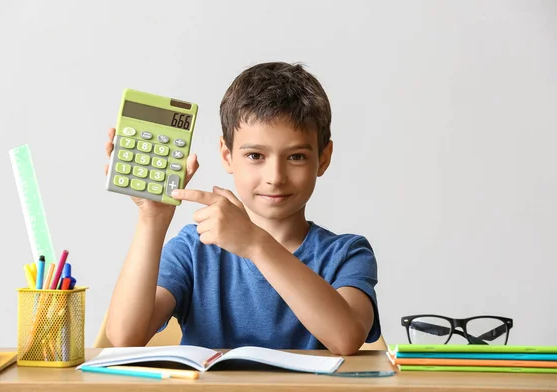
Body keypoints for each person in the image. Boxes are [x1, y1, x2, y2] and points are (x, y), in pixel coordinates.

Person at [104, 62, 381, 355]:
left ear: (323, 158)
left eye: (296, 156)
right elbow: (125, 337)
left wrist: (255, 244)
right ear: (227, 155)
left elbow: (346, 337)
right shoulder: (194, 249)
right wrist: (152, 219)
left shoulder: (347, 254)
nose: (275, 177)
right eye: (255, 155)